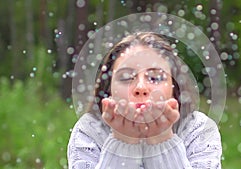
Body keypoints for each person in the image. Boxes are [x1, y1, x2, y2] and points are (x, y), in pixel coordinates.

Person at [67, 32, 222, 169]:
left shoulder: (198, 130)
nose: (140, 87)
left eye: (155, 77)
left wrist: (162, 140)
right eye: (126, 77)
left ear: (175, 88)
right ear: (109, 89)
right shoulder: (89, 130)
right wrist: (122, 142)